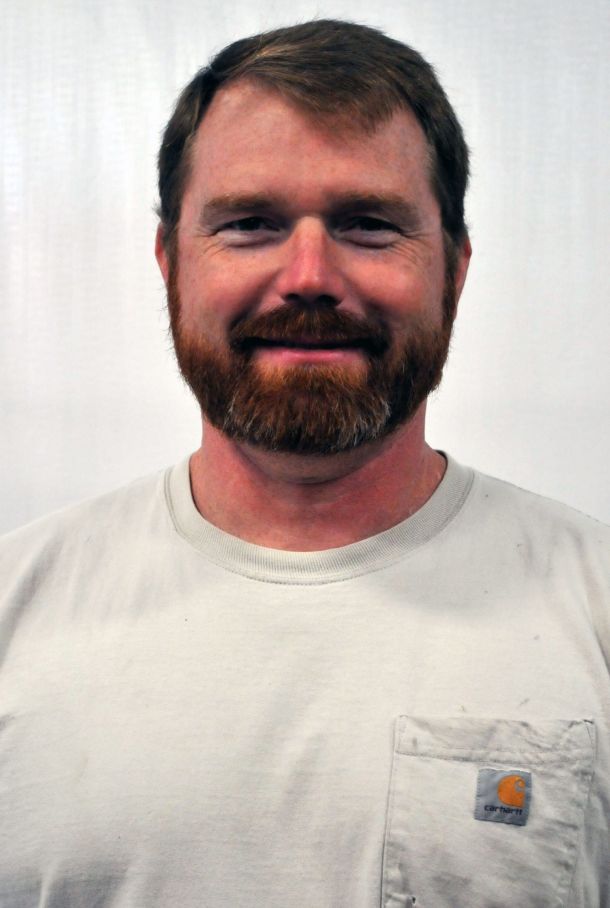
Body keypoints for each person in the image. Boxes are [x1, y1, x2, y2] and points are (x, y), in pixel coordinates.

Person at [0, 19, 608, 908]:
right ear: (170, 263)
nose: (311, 275)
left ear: (455, 270)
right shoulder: (16, 610)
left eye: (369, 225)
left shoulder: (594, 607)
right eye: (250, 224)